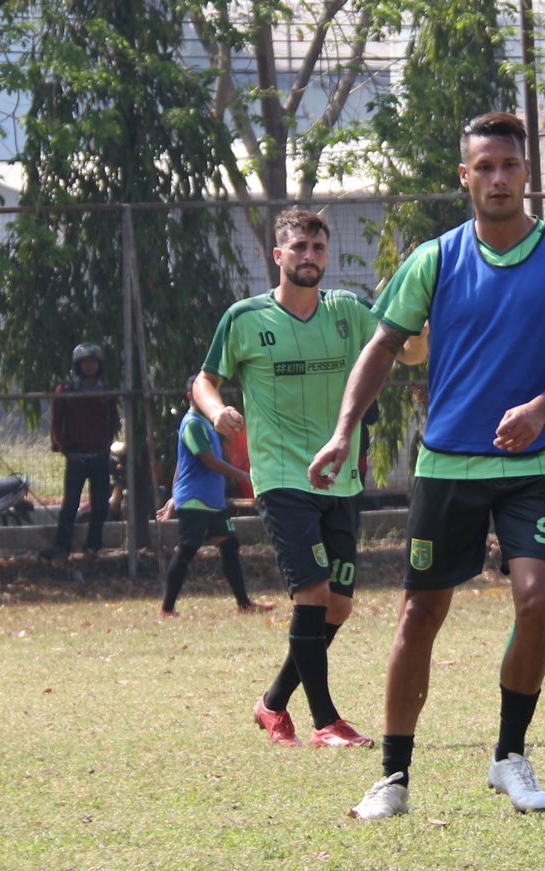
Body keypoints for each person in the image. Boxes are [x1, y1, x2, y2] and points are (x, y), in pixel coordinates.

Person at [309, 112, 545, 821]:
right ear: (465, 176)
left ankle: (509, 755)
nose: (498, 177)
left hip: (535, 461)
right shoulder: (435, 258)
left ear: (525, 173)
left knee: (536, 598)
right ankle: (393, 776)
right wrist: (345, 429)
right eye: (485, 167)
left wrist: (539, 408)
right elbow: (382, 347)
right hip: (448, 465)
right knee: (420, 613)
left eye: (510, 165)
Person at [195, 209, 427, 751]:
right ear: (278, 256)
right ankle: (327, 721)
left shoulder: (347, 311)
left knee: (338, 606)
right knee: (314, 594)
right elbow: (204, 380)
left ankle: (272, 703)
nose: (309, 257)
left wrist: (421, 318)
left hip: (341, 478)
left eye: (317, 248)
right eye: (298, 247)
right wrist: (216, 411)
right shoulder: (245, 318)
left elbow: (408, 351)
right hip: (281, 478)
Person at [154, 376, 274, 617]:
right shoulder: (193, 424)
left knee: (229, 545)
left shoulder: (206, 423)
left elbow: (181, 463)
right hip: (197, 500)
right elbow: (207, 460)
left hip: (211, 501)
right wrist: (243, 474)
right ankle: (167, 609)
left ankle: (244, 604)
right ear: (190, 396)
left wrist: (174, 495)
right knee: (187, 549)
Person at [43, 343, 120, 561]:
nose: (89, 366)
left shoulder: (106, 391)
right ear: (78, 365)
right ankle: (63, 547)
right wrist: (66, 450)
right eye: (85, 362)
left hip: (100, 456)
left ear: (99, 365)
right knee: (70, 505)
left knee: (99, 506)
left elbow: (112, 420)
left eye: (93, 362)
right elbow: (57, 424)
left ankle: (93, 547)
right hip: (76, 457)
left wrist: (106, 445)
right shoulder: (66, 391)